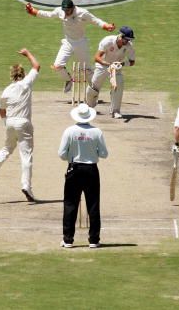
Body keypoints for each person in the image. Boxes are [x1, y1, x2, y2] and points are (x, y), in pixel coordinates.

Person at [25, 0, 115, 93]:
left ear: (73, 7)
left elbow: (95, 20)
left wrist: (106, 26)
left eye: (68, 10)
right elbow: (48, 14)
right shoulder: (60, 11)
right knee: (57, 66)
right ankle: (68, 80)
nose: (66, 12)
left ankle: (94, 90)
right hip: (68, 42)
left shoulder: (82, 13)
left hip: (81, 43)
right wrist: (33, 11)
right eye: (64, 10)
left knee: (86, 70)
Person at [0, 49, 41, 202]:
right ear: (23, 74)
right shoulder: (26, 83)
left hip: (10, 123)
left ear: (12, 75)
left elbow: (1, 109)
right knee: (26, 156)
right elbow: (37, 66)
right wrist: (28, 53)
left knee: (7, 148)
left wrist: (6, 123)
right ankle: (26, 186)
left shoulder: (7, 90)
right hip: (24, 123)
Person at [58, 104, 108, 248]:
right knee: (93, 204)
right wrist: (93, 154)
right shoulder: (96, 132)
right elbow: (104, 154)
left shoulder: (69, 131)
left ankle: (68, 239)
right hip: (91, 169)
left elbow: (61, 153)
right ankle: (94, 239)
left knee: (70, 204)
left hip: (74, 168)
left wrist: (71, 158)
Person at [86, 26, 136, 119]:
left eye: (129, 39)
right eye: (126, 39)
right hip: (102, 65)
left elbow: (132, 62)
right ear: (121, 36)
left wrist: (122, 63)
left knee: (118, 85)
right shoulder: (108, 41)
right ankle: (89, 107)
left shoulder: (129, 46)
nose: (128, 42)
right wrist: (108, 64)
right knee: (94, 87)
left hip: (116, 68)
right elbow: (97, 57)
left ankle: (115, 111)